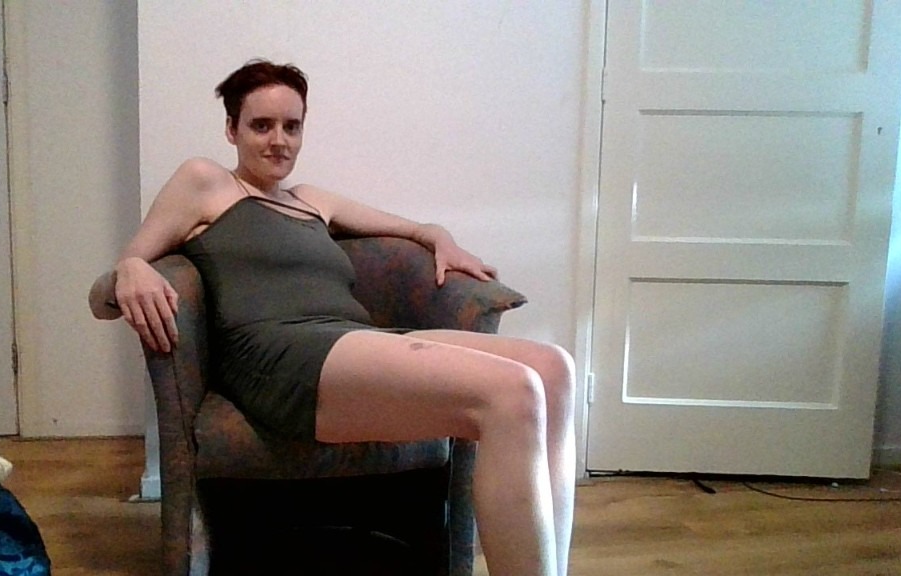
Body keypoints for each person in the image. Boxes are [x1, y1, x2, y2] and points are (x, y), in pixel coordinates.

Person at [89, 59, 575, 576]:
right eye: (261, 126)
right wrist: (131, 267)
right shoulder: (204, 182)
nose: (279, 141)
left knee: (554, 369)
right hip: (283, 356)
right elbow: (104, 294)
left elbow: (415, 229)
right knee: (513, 391)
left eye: (291, 126)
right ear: (231, 130)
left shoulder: (311, 201)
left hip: (350, 339)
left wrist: (441, 237)